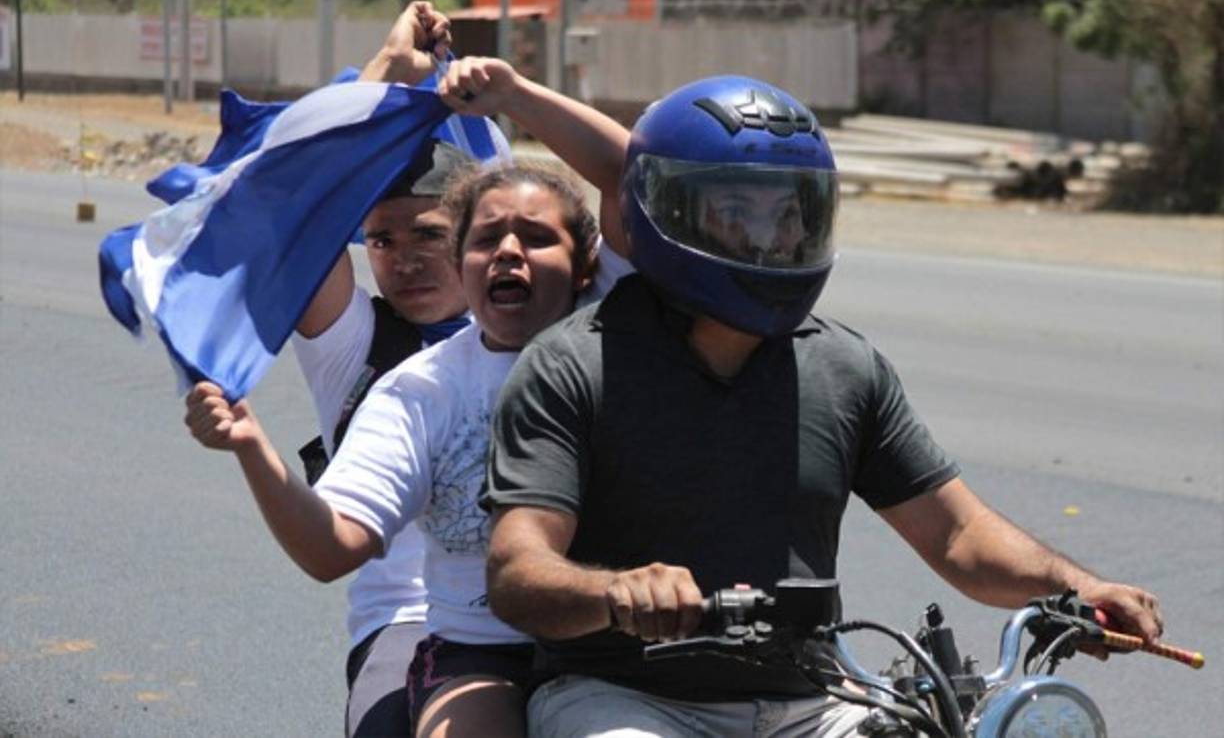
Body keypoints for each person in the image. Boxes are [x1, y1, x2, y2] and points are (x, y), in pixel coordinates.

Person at [480, 75, 1166, 738]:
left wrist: (1081, 586)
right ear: (666, 210)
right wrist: (617, 594)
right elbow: (517, 571)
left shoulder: (843, 366)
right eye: (737, 211)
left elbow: (959, 537)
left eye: (788, 212)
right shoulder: (573, 364)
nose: (770, 237)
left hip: (815, 701)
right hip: (623, 696)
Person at [185, 56, 633, 738]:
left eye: (427, 233)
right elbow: (291, 212)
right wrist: (385, 70)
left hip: (597, 620)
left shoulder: (594, 322)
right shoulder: (385, 367)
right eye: (380, 240)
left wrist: (513, 96)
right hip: (424, 625)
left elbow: (637, 178)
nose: (404, 258)